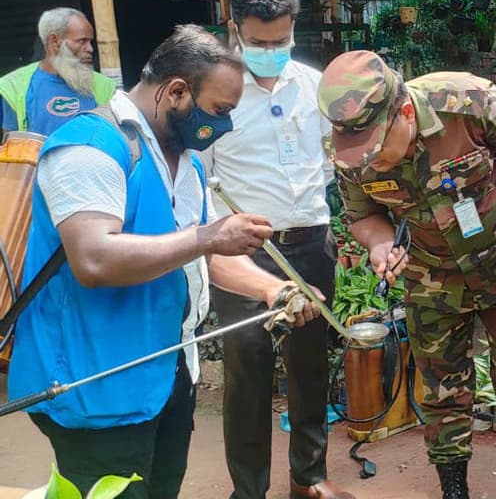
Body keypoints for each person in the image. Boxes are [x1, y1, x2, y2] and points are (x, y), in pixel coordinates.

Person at [7, 25, 319, 498]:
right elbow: (94, 259)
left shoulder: (186, 163)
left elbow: (205, 255)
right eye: (220, 111)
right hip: (96, 388)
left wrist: (273, 290)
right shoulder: (90, 146)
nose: (224, 126)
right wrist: (208, 235)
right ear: (176, 92)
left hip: (164, 377)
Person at [319, 50, 496, 499]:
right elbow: (362, 214)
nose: (373, 161)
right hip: (429, 275)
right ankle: (453, 487)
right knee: (442, 389)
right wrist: (381, 243)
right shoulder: (348, 149)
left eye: (378, 147)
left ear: (405, 111)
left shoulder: (467, 101)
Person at [199, 0, 348, 499]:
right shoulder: (217, 95)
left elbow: (333, 162)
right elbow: (199, 179)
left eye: (280, 41)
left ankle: (309, 478)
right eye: (258, 42)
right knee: (248, 372)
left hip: (310, 243)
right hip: (245, 253)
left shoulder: (313, 86)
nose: (270, 50)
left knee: (310, 366)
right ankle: (249, 490)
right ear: (236, 28)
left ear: (292, 29)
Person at [0, 7, 115, 135]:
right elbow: (11, 147)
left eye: (90, 42)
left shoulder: (105, 86)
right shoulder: (14, 87)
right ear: (54, 41)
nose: (90, 49)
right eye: (82, 41)